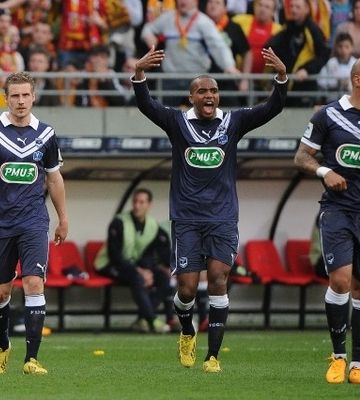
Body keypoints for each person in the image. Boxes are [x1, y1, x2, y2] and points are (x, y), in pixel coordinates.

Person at [132, 46, 287, 373]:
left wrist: (281, 77)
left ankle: (213, 356)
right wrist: (139, 74)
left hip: (223, 217)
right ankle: (187, 331)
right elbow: (146, 104)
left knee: (219, 278)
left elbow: (272, 107)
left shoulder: (233, 122)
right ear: (191, 97)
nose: (209, 95)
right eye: (202, 90)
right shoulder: (177, 122)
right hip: (186, 219)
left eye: (214, 90)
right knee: (186, 289)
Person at [0, 71, 68, 375]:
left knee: (34, 283)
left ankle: (32, 359)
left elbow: (54, 178)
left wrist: (63, 218)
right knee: (1, 293)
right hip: (0, 223)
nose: (21, 101)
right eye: (15, 96)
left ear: (33, 96)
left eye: (26, 95)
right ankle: (2, 345)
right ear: (6, 98)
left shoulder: (47, 134)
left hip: (34, 221)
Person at [293, 58, 360, 384]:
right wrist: (325, 171)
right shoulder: (328, 115)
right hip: (337, 210)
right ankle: (338, 357)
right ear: (358, 79)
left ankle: (358, 364)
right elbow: (301, 156)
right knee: (341, 281)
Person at [94, 188, 175, 333]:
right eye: (135, 201)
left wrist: (151, 270)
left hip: (134, 267)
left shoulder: (153, 225)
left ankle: (142, 320)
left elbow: (152, 254)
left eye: (141, 202)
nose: (137, 205)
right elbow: (115, 256)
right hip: (109, 265)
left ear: (149, 205)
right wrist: (141, 271)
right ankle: (152, 319)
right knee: (137, 278)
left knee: (164, 278)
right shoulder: (119, 222)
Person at [317, 32, 357, 102]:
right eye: (340, 46)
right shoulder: (331, 63)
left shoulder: (356, 63)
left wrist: (349, 84)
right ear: (336, 47)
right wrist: (336, 83)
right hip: (333, 100)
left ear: (352, 48)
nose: (343, 50)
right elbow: (321, 81)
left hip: (352, 101)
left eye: (346, 47)